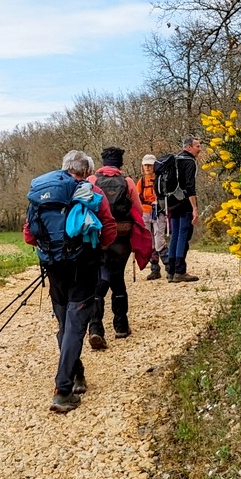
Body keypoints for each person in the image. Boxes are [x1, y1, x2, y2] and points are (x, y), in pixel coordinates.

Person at [23, 150, 117, 414]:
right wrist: (97, 248)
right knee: (75, 327)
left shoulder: (42, 194)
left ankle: (77, 375)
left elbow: (29, 235)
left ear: (64, 169)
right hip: (83, 267)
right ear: (87, 172)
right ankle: (63, 391)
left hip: (53, 268)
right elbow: (109, 229)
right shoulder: (92, 194)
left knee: (65, 325)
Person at [87, 146, 145, 346]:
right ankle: (121, 326)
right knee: (117, 277)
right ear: (120, 163)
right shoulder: (127, 182)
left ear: (103, 163)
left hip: (99, 238)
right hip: (121, 237)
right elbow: (137, 210)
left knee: (99, 280)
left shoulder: (92, 181)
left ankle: (95, 328)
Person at [165, 137, 202, 282]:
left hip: (172, 202)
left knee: (175, 235)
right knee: (183, 234)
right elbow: (190, 186)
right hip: (185, 202)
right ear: (188, 147)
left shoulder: (175, 160)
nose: (200, 149)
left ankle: (171, 270)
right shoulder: (189, 162)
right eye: (197, 146)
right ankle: (180, 271)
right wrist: (195, 208)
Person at [136, 154, 169, 280]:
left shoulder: (160, 179)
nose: (147, 167)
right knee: (149, 241)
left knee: (159, 239)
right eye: (145, 165)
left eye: (150, 165)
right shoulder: (141, 182)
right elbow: (136, 198)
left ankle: (169, 267)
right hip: (145, 212)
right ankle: (155, 269)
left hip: (158, 210)